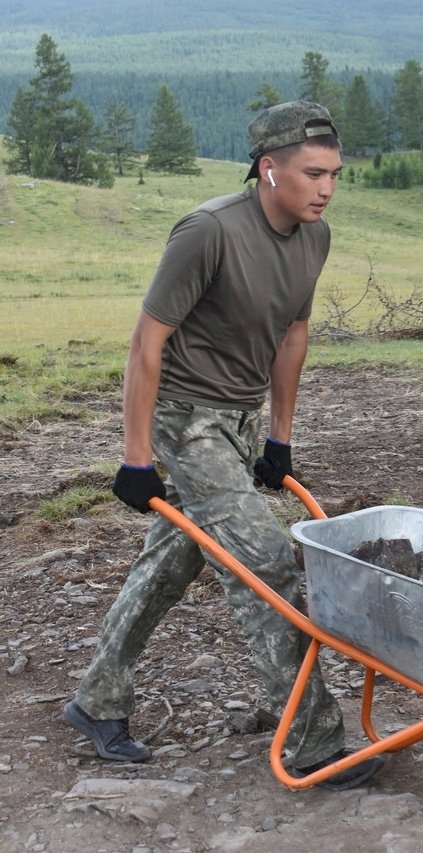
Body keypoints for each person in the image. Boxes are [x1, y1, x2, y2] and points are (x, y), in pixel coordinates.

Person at [62, 102, 383, 790]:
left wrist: (280, 437)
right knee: (267, 569)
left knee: (170, 563)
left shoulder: (313, 238)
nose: (326, 188)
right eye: (312, 173)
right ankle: (314, 742)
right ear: (269, 170)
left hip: (238, 419)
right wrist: (136, 456)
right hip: (184, 418)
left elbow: (293, 335)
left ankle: (97, 701)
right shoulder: (208, 232)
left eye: (335, 174)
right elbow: (147, 343)